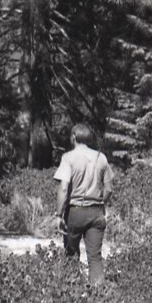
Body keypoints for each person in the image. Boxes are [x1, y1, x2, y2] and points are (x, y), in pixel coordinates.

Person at [54, 123, 113, 288]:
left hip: (75, 211)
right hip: (96, 211)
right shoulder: (101, 158)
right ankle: (99, 296)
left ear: (73, 137)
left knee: (71, 254)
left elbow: (64, 188)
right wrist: (102, 205)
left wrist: (59, 215)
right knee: (95, 257)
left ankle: (73, 293)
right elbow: (109, 189)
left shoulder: (68, 158)